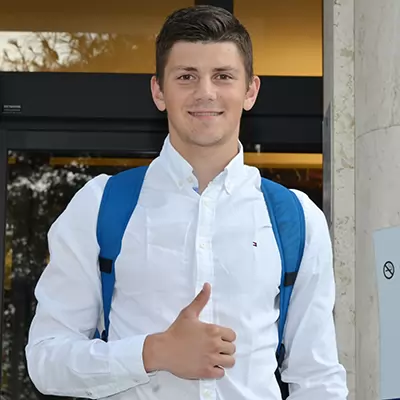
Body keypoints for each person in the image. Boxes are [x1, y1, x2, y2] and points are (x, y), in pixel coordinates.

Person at [25, 5, 348, 400]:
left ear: (250, 91)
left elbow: (318, 379)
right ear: (158, 91)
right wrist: (154, 352)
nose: (205, 92)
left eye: (223, 76)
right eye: (186, 76)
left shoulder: (297, 219)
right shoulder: (99, 206)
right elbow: (46, 358)